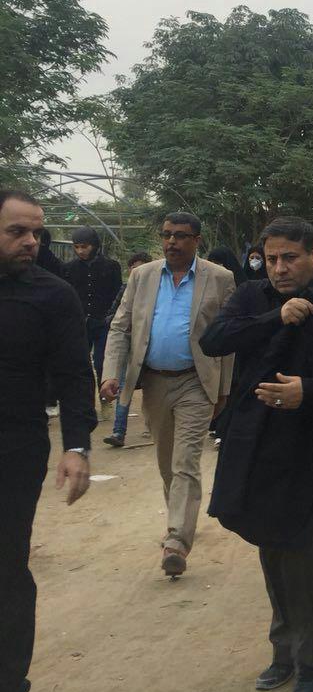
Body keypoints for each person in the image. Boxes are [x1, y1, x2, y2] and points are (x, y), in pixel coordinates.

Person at [201, 216, 313, 692]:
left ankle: (310, 660)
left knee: (311, 549)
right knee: (273, 542)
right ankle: (284, 649)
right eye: (271, 258)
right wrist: (274, 319)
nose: (279, 268)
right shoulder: (250, 297)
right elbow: (214, 340)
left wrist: (309, 391)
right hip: (259, 440)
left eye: (290, 258)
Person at [0, 190, 95, 692]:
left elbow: (74, 374)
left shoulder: (53, 296)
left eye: (36, 232)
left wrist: (76, 446)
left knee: (6, 565)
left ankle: (7, 689)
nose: (32, 241)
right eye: (17, 231)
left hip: (14, 449)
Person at [100, 212, 236, 577]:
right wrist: (110, 374)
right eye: (166, 235)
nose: (171, 242)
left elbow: (228, 339)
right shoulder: (142, 276)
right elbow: (121, 327)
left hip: (196, 381)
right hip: (155, 383)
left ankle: (176, 540)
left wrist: (224, 389)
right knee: (166, 463)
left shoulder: (220, 278)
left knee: (185, 461)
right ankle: (180, 519)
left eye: (180, 236)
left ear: (196, 240)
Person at [101, 251, 153, 447]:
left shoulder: (158, 290)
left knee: (152, 387)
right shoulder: (125, 289)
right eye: (133, 268)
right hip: (128, 344)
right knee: (123, 386)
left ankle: (153, 426)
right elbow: (113, 316)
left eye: (141, 268)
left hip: (150, 346)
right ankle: (118, 431)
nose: (136, 272)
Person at [63, 225, 122, 389]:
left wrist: (111, 316)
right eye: (76, 247)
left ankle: (105, 393)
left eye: (84, 247)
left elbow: (117, 294)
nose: (80, 251)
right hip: (80, 322)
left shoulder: (111, 266)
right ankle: (83, 394)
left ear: (94, 245)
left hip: (104, 322)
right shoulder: (69, 268)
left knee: (102, 361)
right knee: (80, 362)